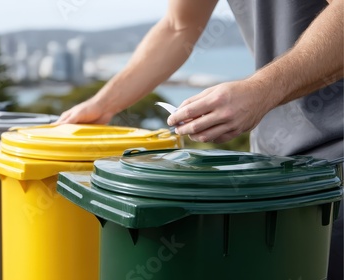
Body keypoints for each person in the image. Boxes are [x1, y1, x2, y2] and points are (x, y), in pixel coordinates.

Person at [56, 0, 343, 279]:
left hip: (334, 167)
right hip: (269, 167)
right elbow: (179, 26)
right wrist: (103, 105)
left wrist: (262, 89)